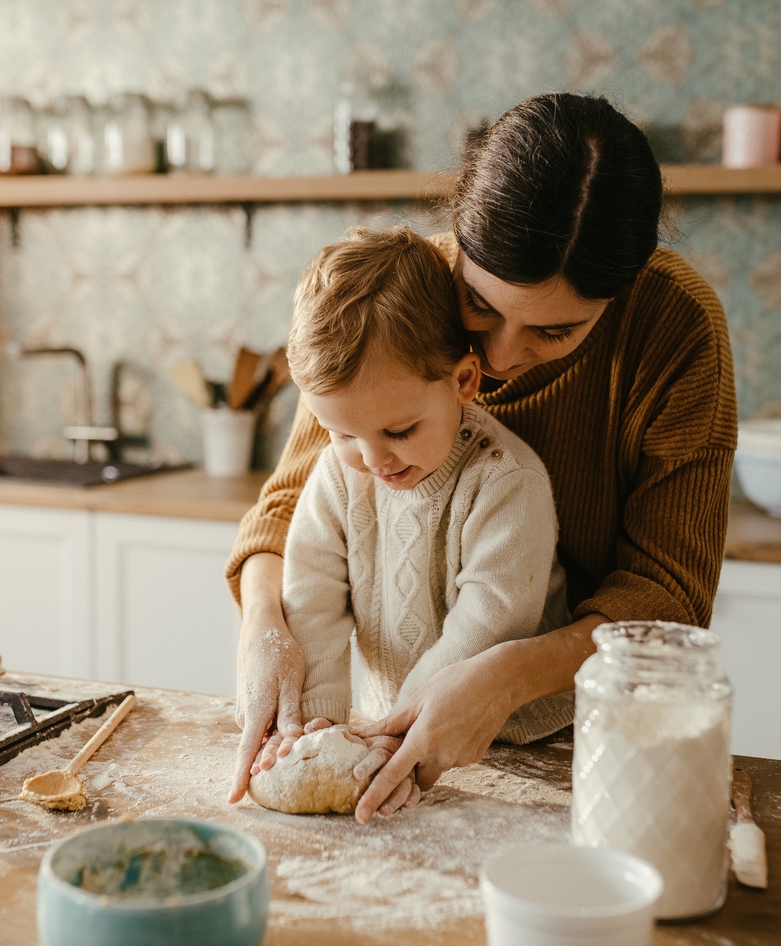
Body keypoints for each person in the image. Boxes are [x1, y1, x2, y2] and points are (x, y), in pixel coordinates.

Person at [226, 91, 738, 824]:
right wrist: (265, 629)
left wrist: (502, 677)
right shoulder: (402, 295)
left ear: (620, 296)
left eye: (554, 333)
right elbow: (291, 509)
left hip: (577, 735)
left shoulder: (675, 326)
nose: (496, 360)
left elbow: (669, 597)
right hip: (389, 724)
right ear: (458, 240)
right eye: (481, 305)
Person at [272, 225, 572, 772]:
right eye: (342, 435)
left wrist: (398, 731)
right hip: (392, 728)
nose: (373, 460)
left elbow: (486, 622)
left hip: (527, 744)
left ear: (463, 380)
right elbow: (311, 596)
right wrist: (321, 722)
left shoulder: (507, 482)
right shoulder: (338, 478)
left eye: (400, 430)